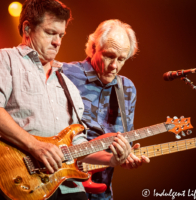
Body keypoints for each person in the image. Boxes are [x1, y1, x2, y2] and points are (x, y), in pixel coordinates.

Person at [0, 1, 132, 200]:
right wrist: (35, 146)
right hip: (21, 183)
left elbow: (78, 143)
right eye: (50, 33)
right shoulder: (4, 59)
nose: (57, 41)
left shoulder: (67, 84)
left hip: (69, 188)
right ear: (27, 28)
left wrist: (111, 159)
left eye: (61, 35)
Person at [62, 20, 150, 200]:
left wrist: (127, 155)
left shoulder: (127, 88)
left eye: (121, 59)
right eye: (110, 56)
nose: (114, 66)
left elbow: (125, 137)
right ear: (93, 48)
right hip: (62, 187)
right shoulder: (65, 74)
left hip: (102, 193)